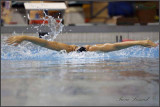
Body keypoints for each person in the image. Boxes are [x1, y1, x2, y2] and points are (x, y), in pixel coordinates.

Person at [6, 35, 157, 53]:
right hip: (80, 51)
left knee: (106, 47)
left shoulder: (69, 50)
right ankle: (142, 42)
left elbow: (46, 43)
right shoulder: (70, 50)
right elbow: (46, 43)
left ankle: (142, 42)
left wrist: (24, 37)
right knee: (108, 47)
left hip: (76, 51)